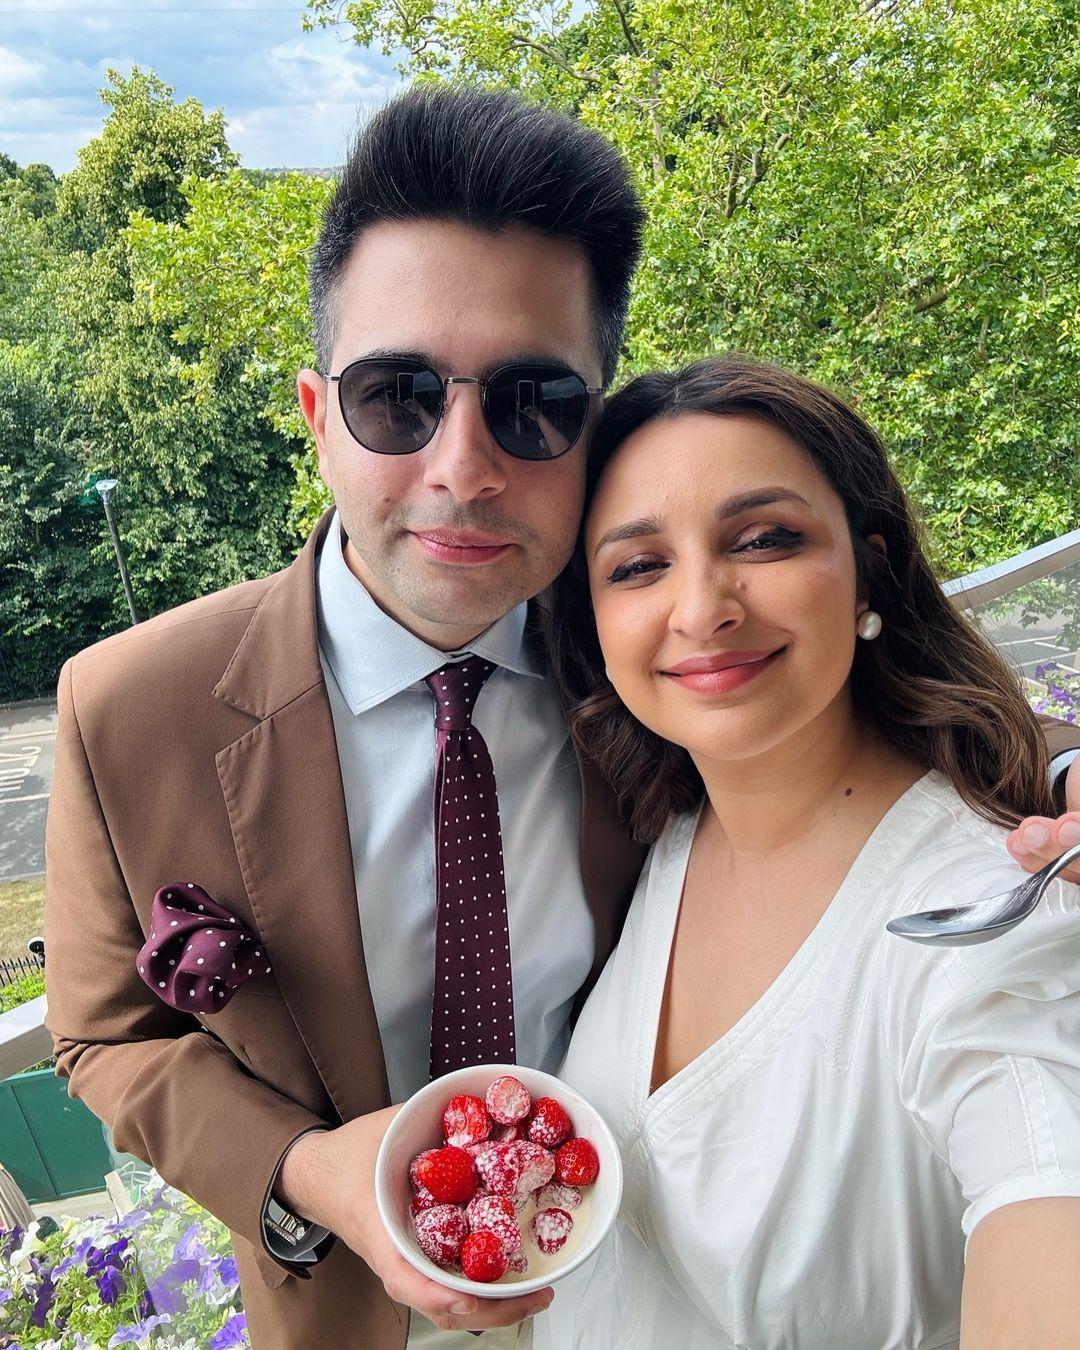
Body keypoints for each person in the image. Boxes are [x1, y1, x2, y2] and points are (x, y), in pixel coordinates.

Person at [40, 88, 1079, 1350]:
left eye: (533, 401)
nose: (464, 464)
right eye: (396, 396)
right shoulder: (128, 709)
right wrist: (314, 1175)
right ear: (317, 420)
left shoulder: (658, 682)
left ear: (591, 432)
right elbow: (106, 1036)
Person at [534, 356, 1080, 1350]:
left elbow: (1045, 1171)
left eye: (766, 539)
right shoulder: (656, 833)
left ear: (869, 568)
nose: (702, 609)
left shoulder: (988, 928)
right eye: (638, 566)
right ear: (595, 620)